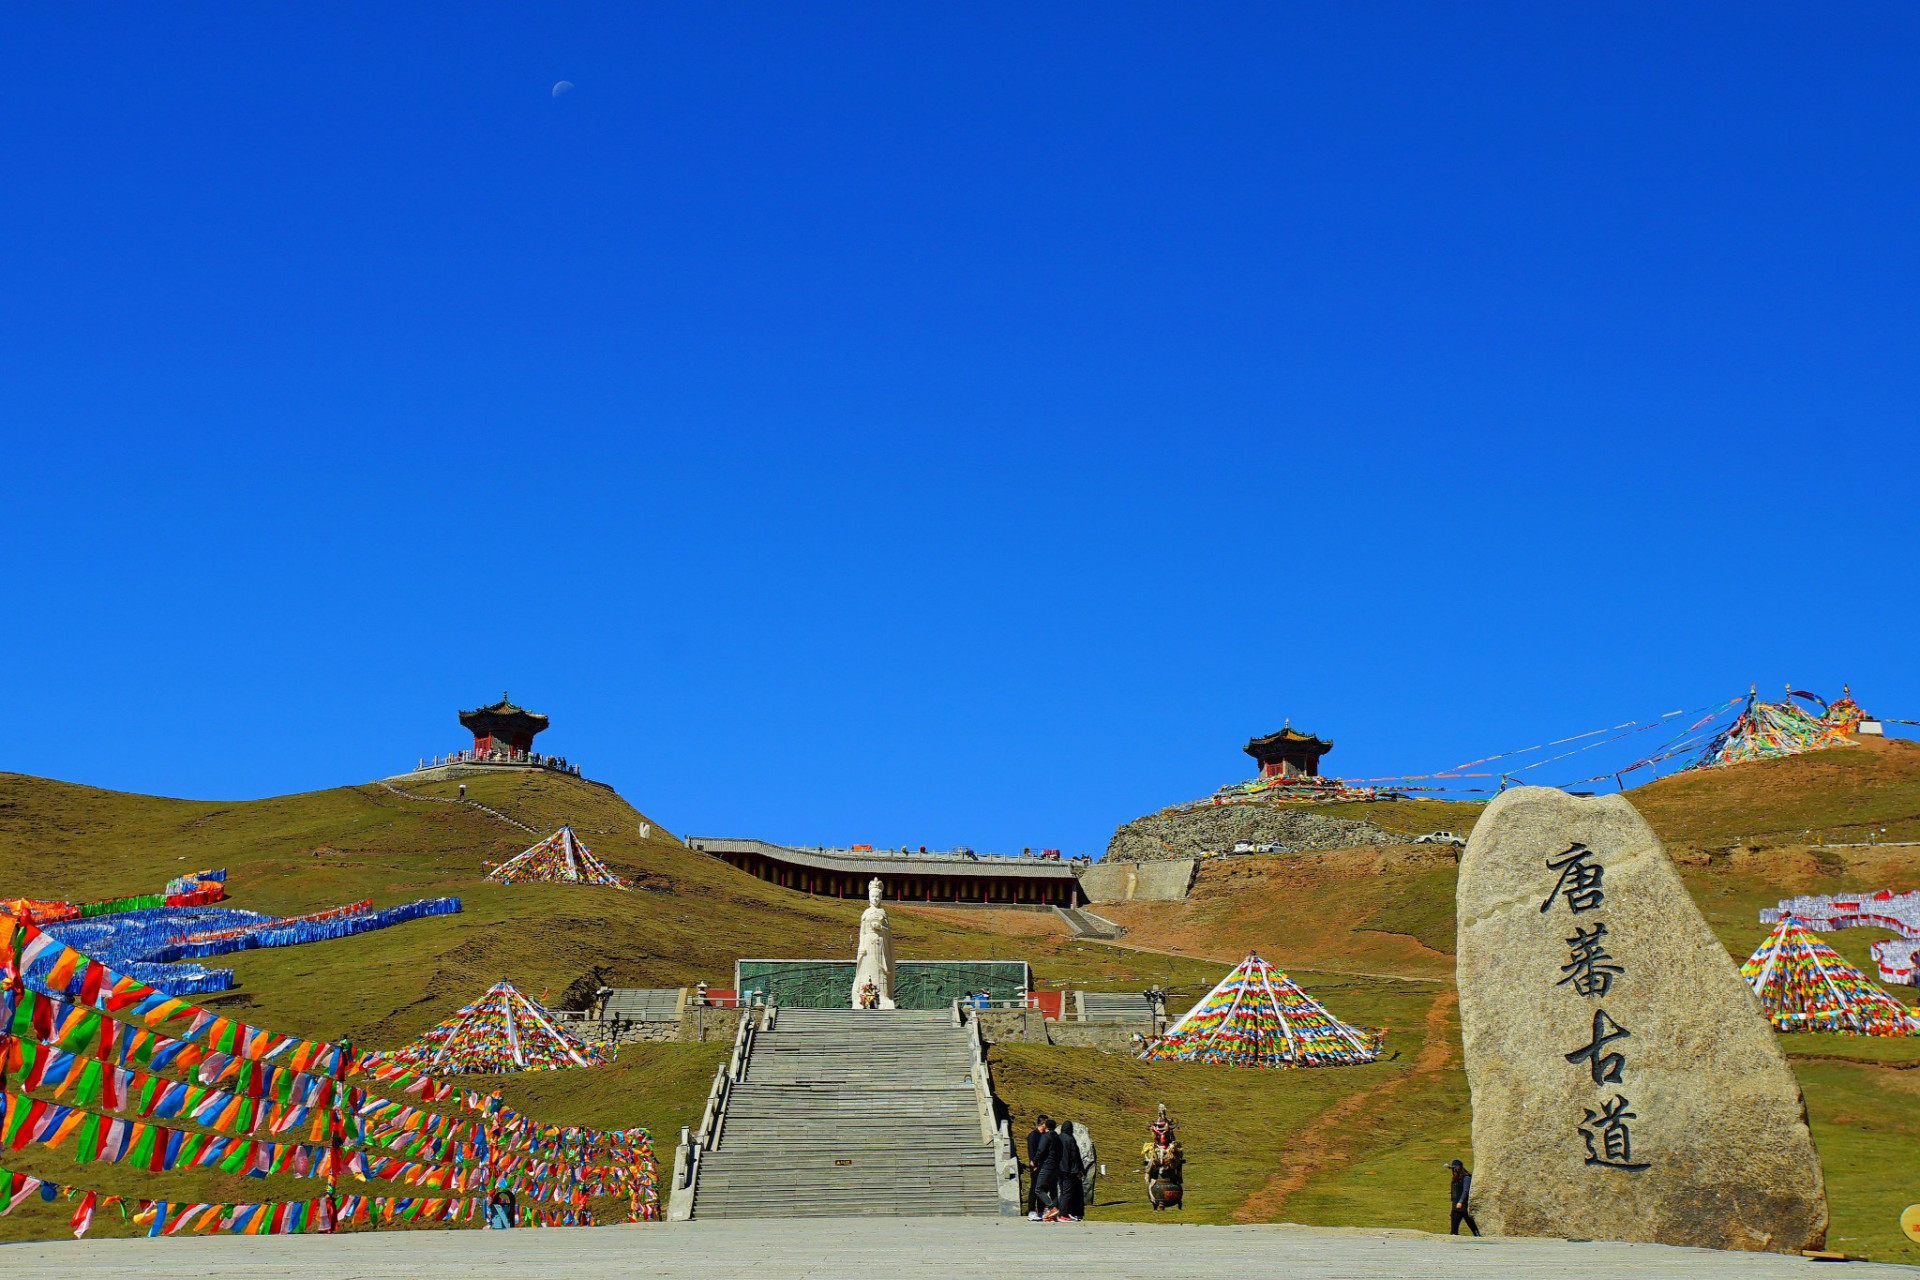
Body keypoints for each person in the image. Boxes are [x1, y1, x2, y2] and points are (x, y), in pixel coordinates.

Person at [1029, 1117, 1061, 1221]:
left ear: (1046, 1126)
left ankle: (1051, 1208)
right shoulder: (1057, 1137)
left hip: (1046, 1165)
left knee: (1038, 1189)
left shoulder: (1045, 1137)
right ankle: (1053, 1214)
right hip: (1055, 1167)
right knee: (1053, 1190)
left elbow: (1040, 1150)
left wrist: (1035, 1161)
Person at [1054, 1121, 1085, 1221]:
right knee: (1067, 1193)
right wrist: (1079, 1170)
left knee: (1063, 1191)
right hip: (1069, 1170)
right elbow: (1075, 1156)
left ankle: (1062, 1211)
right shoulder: (1070, 1139)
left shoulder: (1057, 1138)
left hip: (1058, 1169)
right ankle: (1063, 1214)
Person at [1024, 1116, 1048, 1219]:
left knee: (1042, 1189)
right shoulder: (1033, 1135)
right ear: (1043, 1123)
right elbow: (1031, 1150)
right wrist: (1033, 1162)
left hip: (1044, 1166)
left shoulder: (1045, 1135)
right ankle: (1031, 1210)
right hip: (1035, 1166)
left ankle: (1041, 1210)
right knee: (1034, 1188)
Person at [1447, 1159, 1478, 1236]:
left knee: (1471, 1224)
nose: (1454, 1171)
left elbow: (1465, 1190)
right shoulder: (1456, 1179)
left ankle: (1478, 1236)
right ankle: (1455, 1239)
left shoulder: (1466, 1178)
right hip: (1455, 1206)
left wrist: (1460, 1201)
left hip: (1464, 1206)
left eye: (1455, 1169)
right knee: (1454, 1228)